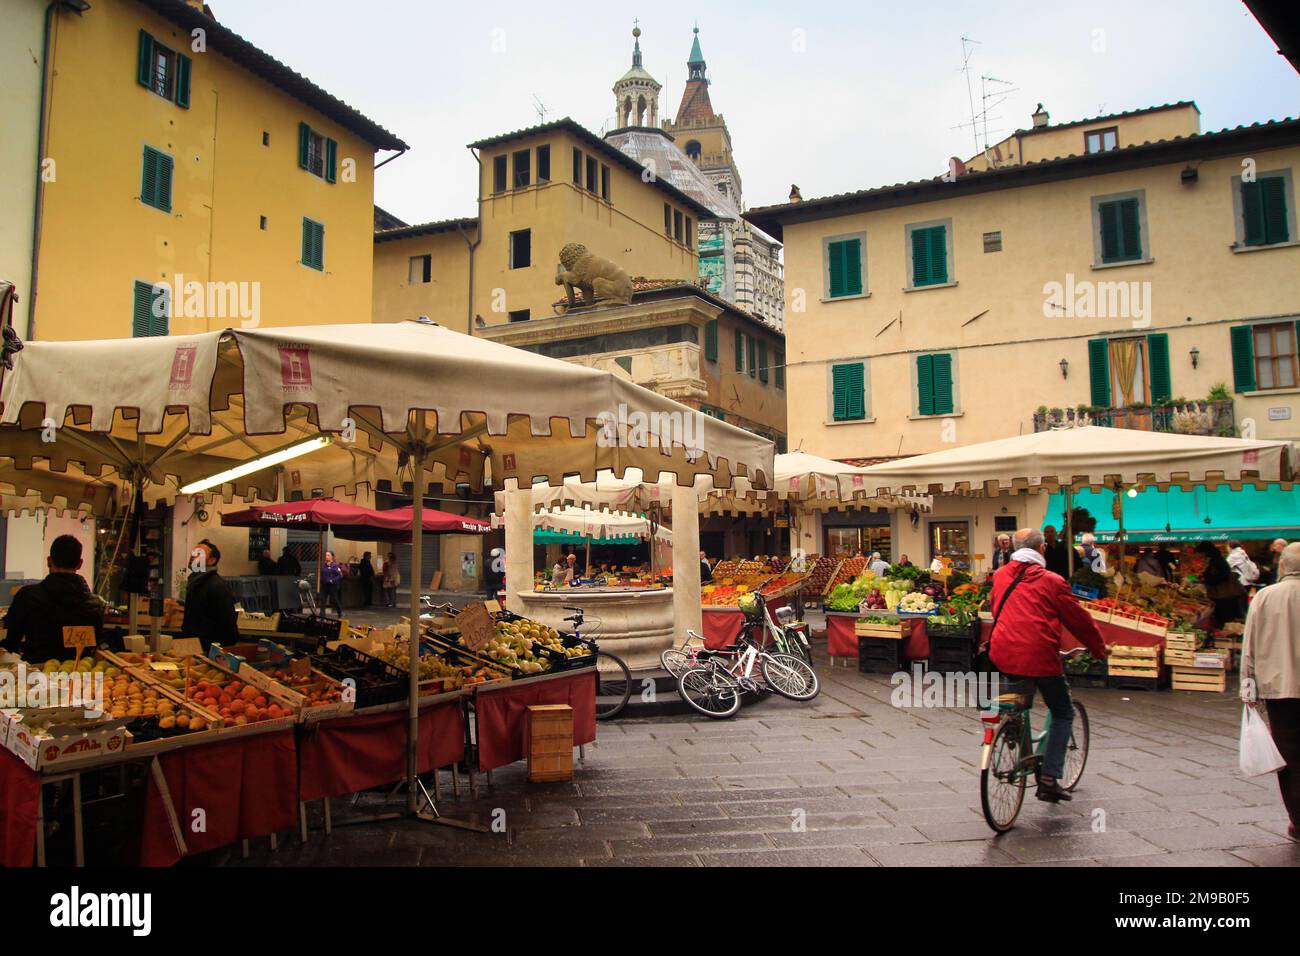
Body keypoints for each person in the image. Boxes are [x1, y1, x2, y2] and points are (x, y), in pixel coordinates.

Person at [988, 528, 1108, 803]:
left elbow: (997, 608)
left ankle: (1011, 732)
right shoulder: (1052, 581)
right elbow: (1078, 619)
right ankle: (1049, 778)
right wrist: (1098, 648)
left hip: (1004, 651)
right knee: (1063, 712)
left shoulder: (1001, 575)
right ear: (1042, 550)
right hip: (1040, 655)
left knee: (1017, 703)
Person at [1241, 541, 1300, 842]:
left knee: (1288, 755)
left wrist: (1247, 688)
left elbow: (1249, 647)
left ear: (1282, 565)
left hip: (1280, 689)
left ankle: (1298, 821)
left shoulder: (1265, 596)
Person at [1, 535, 104, 663]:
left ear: (49, 561)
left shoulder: (27, 596)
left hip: (36, 677)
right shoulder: (95, 604)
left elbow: (11, 643)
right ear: (80, 564)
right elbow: (95, 648)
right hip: (81, 677)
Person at [180, 540, 239, 652]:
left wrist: (216, 653)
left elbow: (228, 625)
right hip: (192, 646)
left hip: (207, 649)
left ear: (212, 560)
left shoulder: (216, 586)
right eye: (193, 553)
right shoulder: (195, 583)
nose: (193, 556)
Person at [1197, 541, 1244, 627]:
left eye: (1202, 552)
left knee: (1224, 617)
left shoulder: (1217, 560)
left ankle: (1227, 632)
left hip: (1223, 594)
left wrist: (1209, 580)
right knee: (1223, 616)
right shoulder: (1216, 559)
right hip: (1223, 594)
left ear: (1206, 551)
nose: (1201, 555)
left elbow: (1223, 574)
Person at [319, 550, 343, 616]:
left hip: (332, 586)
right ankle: (322, 614)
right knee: (323, 599)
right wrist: (321, 580)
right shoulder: (324, 565)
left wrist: (333, 580)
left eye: (328, 555)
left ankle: (340, 612)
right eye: (326, 555)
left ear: (332, 557)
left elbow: (340, 575)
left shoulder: (335, 566)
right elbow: (322, 574)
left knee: (334, 600)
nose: (326, 557)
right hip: (324, 585)